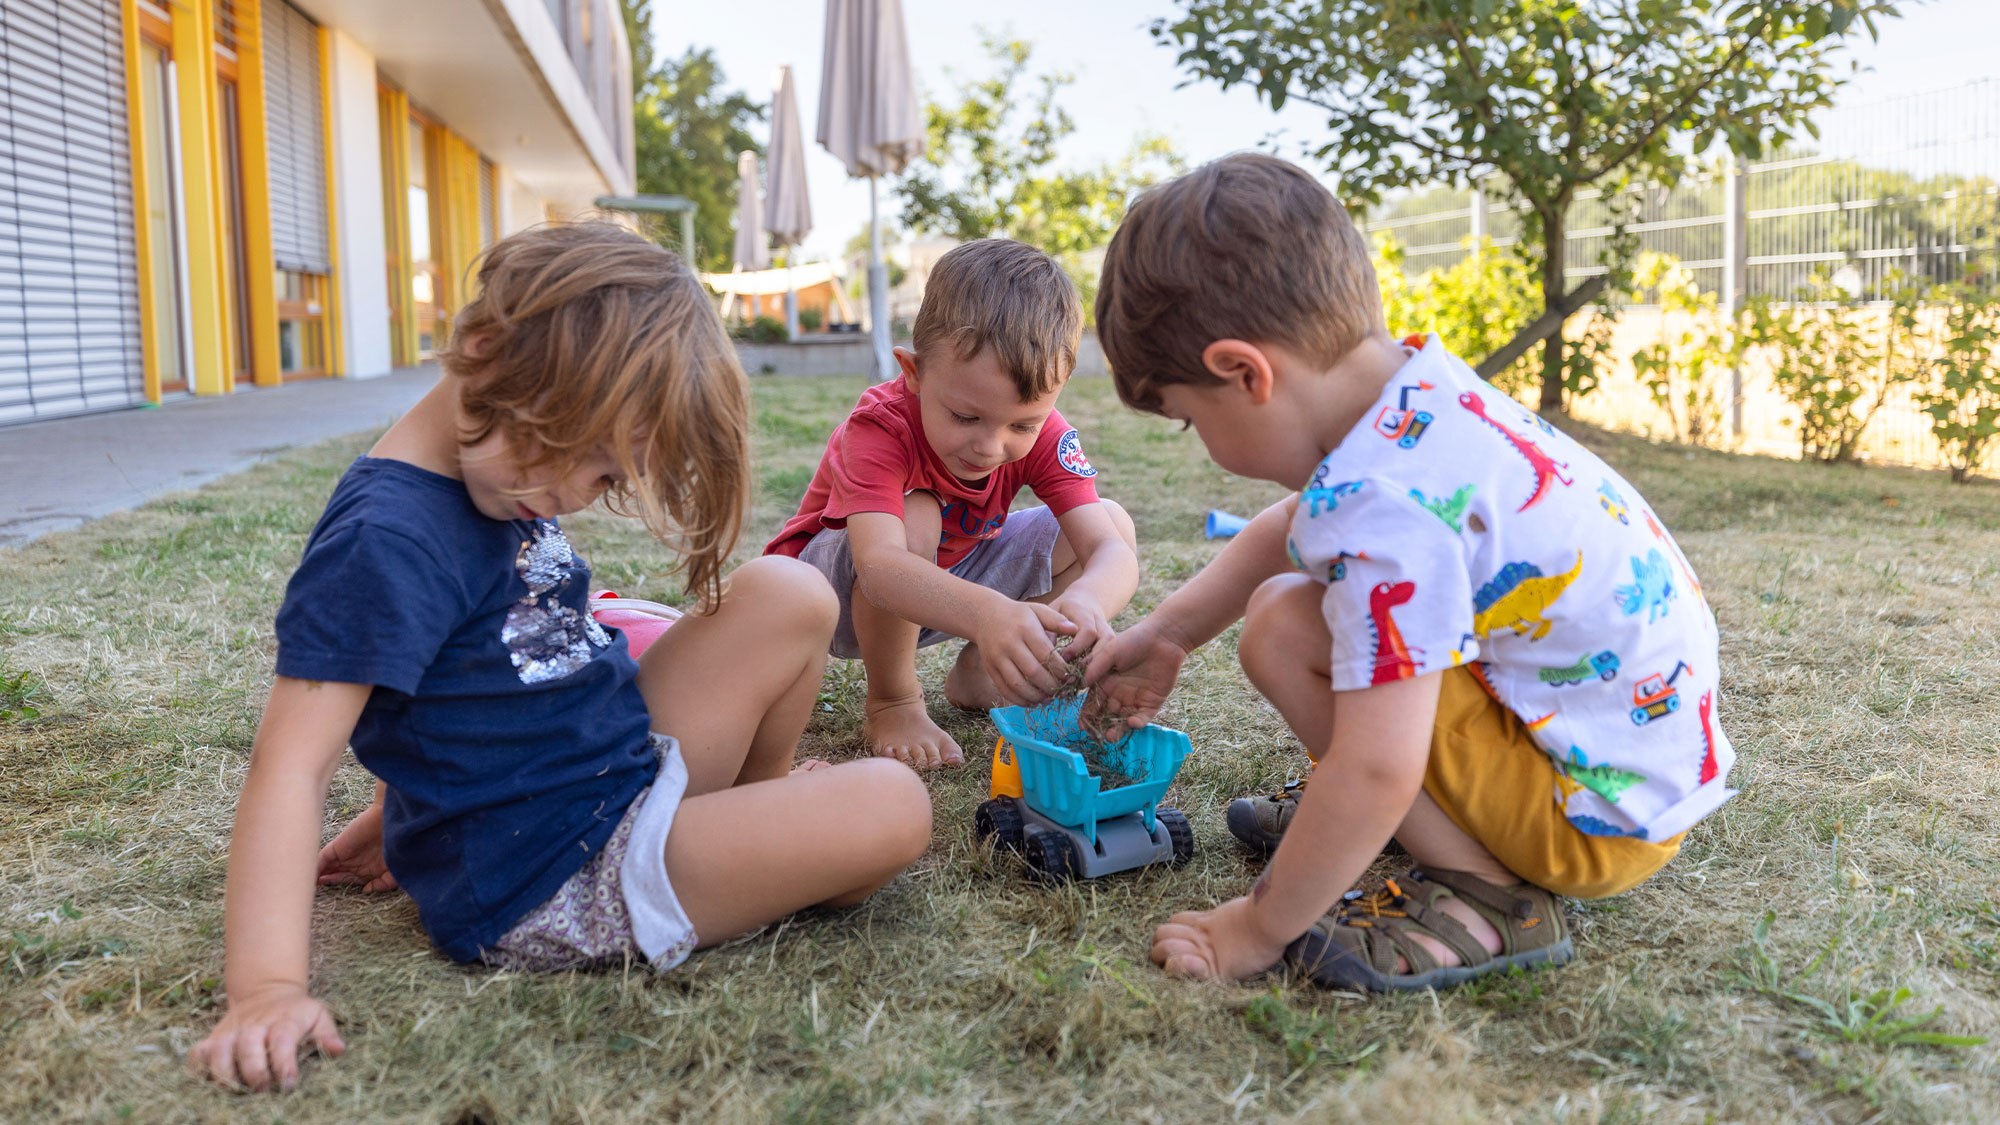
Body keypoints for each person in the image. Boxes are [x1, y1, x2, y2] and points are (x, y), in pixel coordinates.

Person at [187, 223, 931, 1092]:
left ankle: (759, 824)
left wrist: (402, 808)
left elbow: (462, 679)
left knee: (791, 591)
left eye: (607, 476)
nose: (579, 491)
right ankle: (773, 848)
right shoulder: (384, 541)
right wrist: (267, 988)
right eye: (577, 455)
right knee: (895, 803)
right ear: (484, 350)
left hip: (610, 776)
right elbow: (290, 765)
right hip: (556, 868)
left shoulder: (491, 477)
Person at [1084, 154, 1734, 991]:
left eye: (1187, 421)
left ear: (1246, 374)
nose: (1201, 445)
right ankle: (1421, 829)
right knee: (1291, 609)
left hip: (1591, 816)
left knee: (1284, 632)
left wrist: (1256, 926)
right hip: (1632, 766)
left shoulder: (1385, 509)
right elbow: (1292, 525)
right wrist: (1168, 632)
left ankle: (1487, 890)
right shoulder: (1420, 396)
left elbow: (1375, 766)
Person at [765, 239, 1139, 769]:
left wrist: (1090, 602)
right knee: (917, 510)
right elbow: (879, 568)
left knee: (1113, 522)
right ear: (914, 373)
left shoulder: (1047, 436)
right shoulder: (881, 425)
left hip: (944, 589)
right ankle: (893, 699)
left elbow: (1109, 550)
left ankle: (984, 675)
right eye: (965, 417)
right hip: (826, 597)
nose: (991, 446)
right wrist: (989, 614)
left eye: (1022, 424)